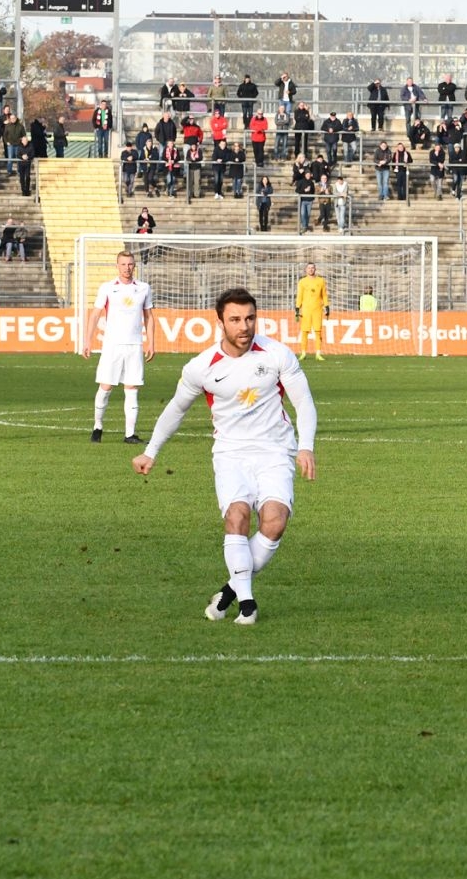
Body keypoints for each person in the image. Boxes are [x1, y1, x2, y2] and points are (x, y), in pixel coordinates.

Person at [134, 288, 317, 627]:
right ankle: (247, 604)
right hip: (230, 454)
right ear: (219, 322)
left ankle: (230, 592)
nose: (244, 326)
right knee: (237, 516)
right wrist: (151, 451)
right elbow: (176, 409)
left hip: (275, 451)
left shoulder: (276, 353)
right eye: (235, 320)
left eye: (249, 318)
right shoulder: (201, 367)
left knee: (274, 522)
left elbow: (303, 402)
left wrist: (306, 445)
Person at [82, 250, 156, 443]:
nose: (127, 268)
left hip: (134, 345)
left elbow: (149, 317)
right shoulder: (107, 288)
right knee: (106, 387)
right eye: (123, 264)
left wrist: (151, 342)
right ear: (117, 266)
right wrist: (87, 341)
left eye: (130, 264)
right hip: (112, 345)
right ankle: (97, 427)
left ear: (134, 266)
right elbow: (95, 315)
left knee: (132, 388)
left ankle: (129, 434)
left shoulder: (143, 288)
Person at [295, 262, 329, 360]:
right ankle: (303, 353)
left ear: (315, 269)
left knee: (318, 331)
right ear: (306, 270)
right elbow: (300, 296)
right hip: (306, 309)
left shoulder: (321, 281)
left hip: (317, 309)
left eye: (312, 268)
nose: (311, 269)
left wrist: (327, 306)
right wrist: (297, 308)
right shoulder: (302, 281)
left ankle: (318, 353)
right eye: (309, 268)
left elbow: (324, 295)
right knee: (305, 331)